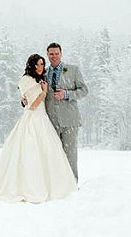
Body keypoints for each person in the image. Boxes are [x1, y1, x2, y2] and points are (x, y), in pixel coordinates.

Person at [0, 54, 78, 203]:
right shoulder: (27, 80)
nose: (40, 67)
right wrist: (43, 92)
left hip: (43, 118)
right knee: (31, 153)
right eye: (37, 64)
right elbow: (31, 105)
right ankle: (31, 186)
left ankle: (53, 185)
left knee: (48, 152)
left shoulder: (39, 79)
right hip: (33, 119)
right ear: (31, 65)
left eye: (42, 64)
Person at [43, 42, 88, 181]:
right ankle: (57, 184)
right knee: (53, 154)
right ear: (47, 55)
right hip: (51, 121)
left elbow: (84, 91)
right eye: (51, 53)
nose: (54, 56)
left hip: (70, 120)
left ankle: (73, 183)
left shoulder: (73, 70)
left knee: (70, 154)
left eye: (57, 53)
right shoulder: (43, 73)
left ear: (61, 54)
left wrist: (66, 94)